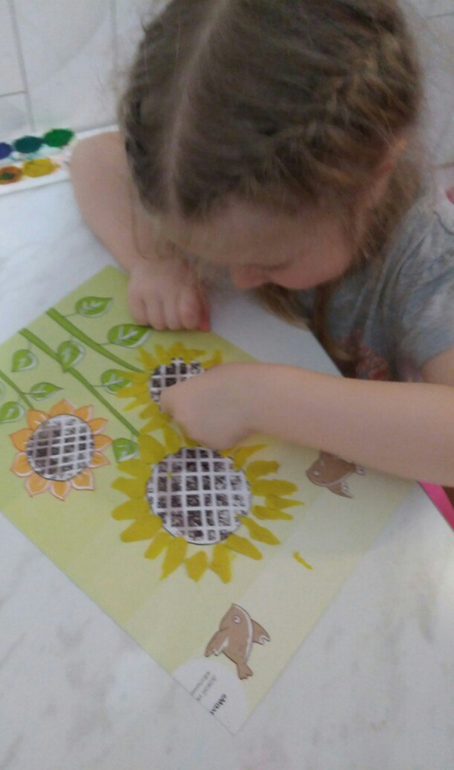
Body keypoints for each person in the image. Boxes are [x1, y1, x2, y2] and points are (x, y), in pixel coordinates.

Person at [70, 0, 454, 498]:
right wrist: (152, 260)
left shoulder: (428, 257)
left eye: (270, 261)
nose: (239, 278)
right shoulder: (200, 170)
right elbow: (93, 158)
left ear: (372, 178)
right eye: (211, 255)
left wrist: (262, 399)